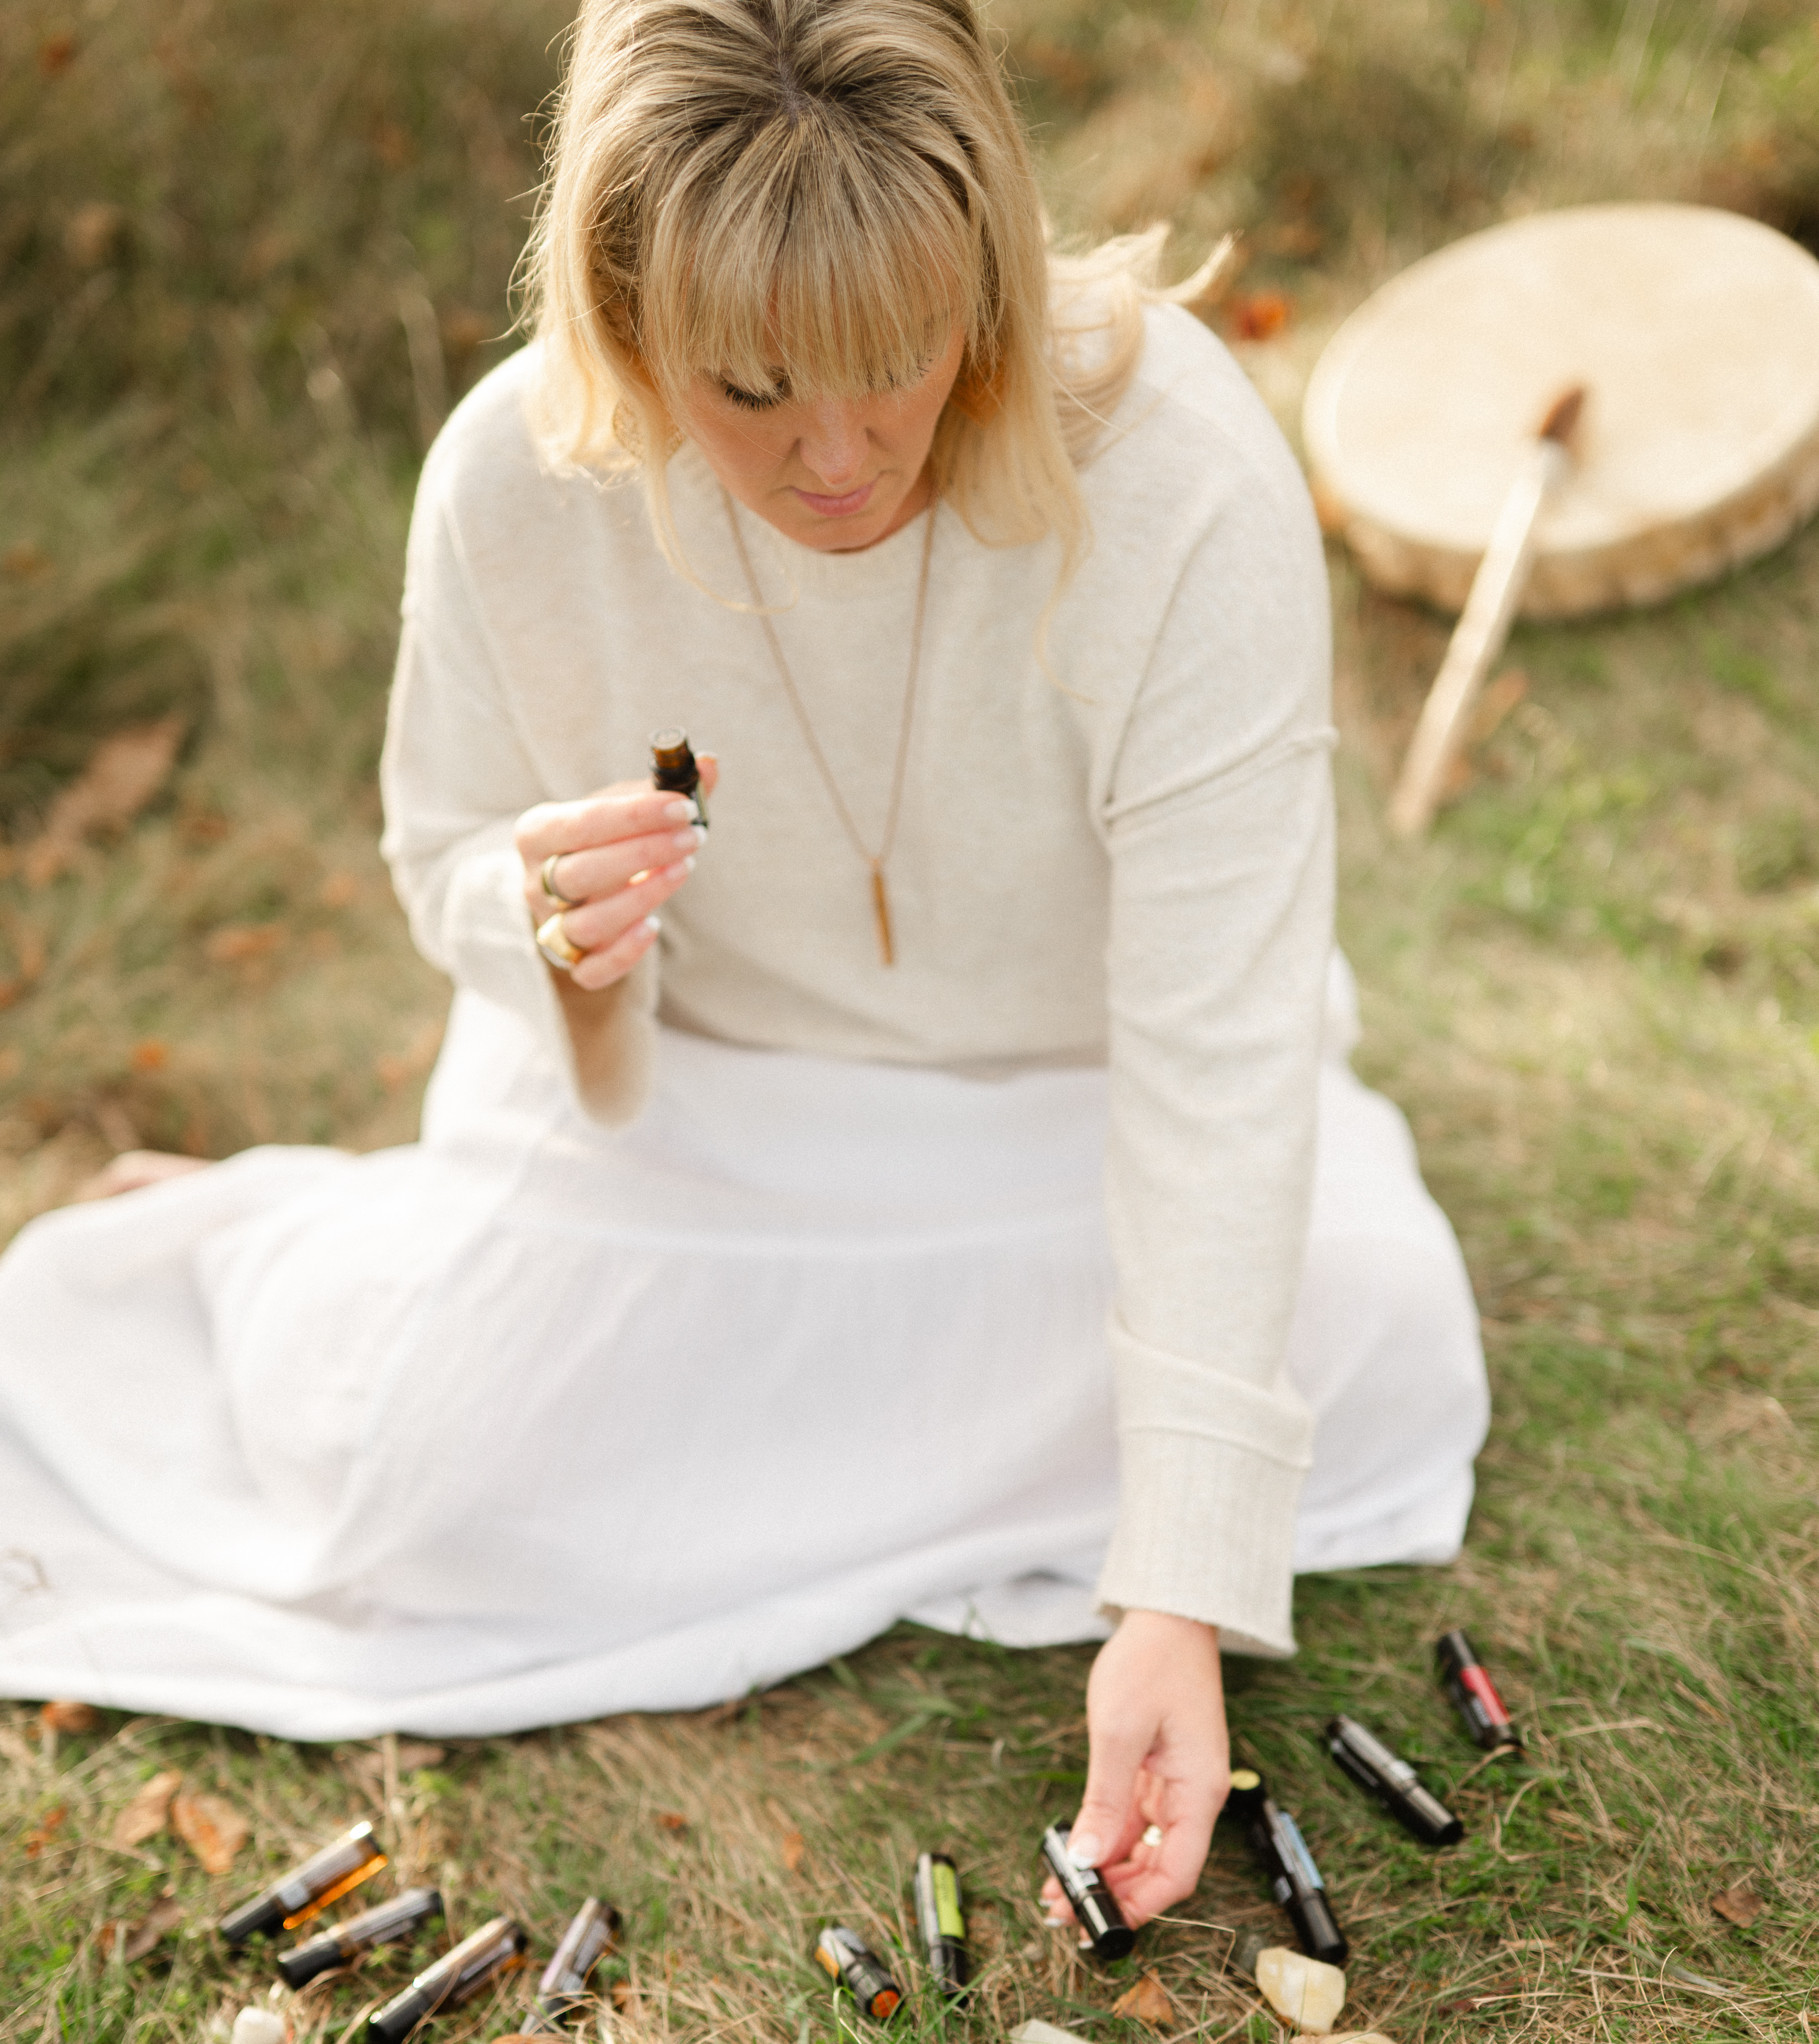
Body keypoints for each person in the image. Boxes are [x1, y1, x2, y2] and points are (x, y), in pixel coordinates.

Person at [0, 0, 1488, 1933]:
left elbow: (1217, 1043)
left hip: (1080, 1101)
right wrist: (543, 922)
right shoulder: (513, 481)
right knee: (420, 1501)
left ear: (984, 264)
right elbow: (446, 854)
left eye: (896, 363)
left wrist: (1169, 1604)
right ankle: (285, 1257)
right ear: (624, 315)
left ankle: (743, 1376)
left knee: (1379, 1339)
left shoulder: (1181, 468)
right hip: (695, 1110)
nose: (841, 453)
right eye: (754, 388)